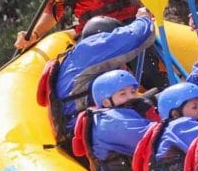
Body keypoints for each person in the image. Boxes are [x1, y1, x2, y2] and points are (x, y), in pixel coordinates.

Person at [36, 15, 155, 153]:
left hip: (78, 135)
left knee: (152, 99)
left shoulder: (72, 60)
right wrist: (144, 18)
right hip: (93, 134)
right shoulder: (90, 50)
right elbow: (135, 36)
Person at [72, 70, 159, 171]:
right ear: (106, 102)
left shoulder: (122, 114)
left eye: (133, 92)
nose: (131, 97)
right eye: (123, 94)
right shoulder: (110, 122)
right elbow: (159, 141)